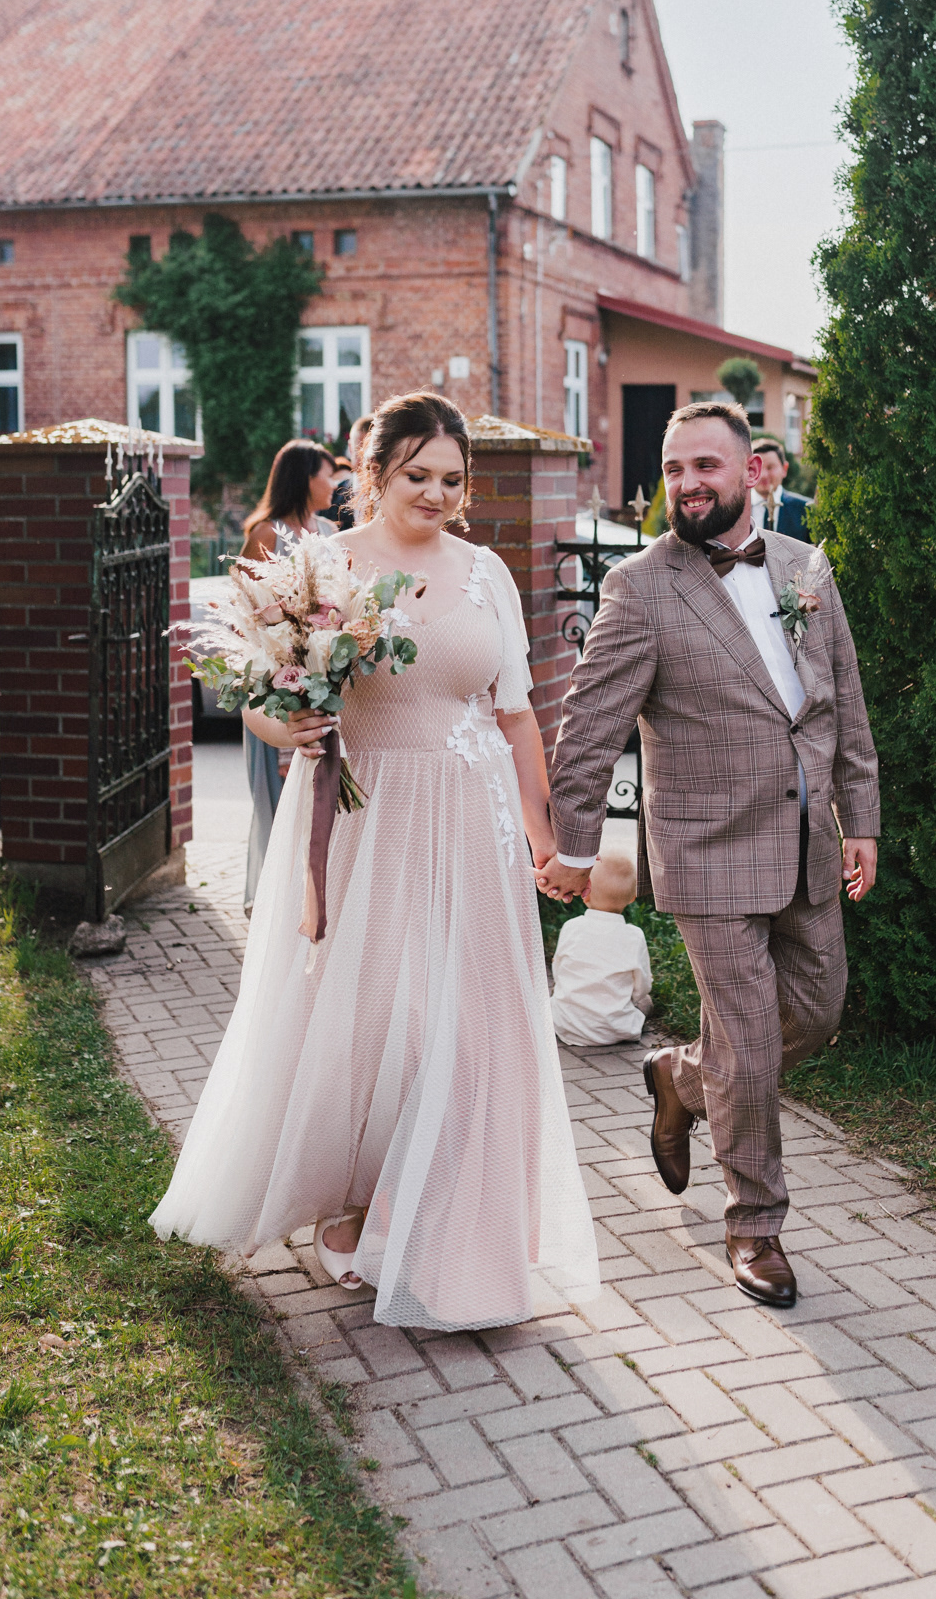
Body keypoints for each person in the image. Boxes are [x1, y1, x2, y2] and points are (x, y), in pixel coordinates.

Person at [152, 392, 599, 1329]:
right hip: (367, 818)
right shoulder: (323, 567)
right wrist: (284, 725)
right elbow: (260, 697)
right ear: (374, 472)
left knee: (474, 1030)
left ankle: (456, 1240)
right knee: (372, 1020)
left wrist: (545, 837)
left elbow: (516, 716)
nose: (435, 494)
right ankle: (352, 1204)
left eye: (451, 480)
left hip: (472, 822)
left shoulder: (486, 573)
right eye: (416, 475)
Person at [540, 401, 879, 1310]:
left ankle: (679, 1077)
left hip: (806, 840)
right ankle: (754, 1223)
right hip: (705, 847)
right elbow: (590, 725)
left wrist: (861, 817)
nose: (687, 484)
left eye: (705, 466)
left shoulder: (804, 566)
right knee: (753, 1041)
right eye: (673, 468)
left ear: (751, 472)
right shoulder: (641, 587)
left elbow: (841, 702)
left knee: (816, 1012)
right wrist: (574, 845)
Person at [240, 440, 339, 911]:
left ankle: (317, 891)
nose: (335, 483)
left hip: (325, 675)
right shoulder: (265, 533)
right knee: (277, 797)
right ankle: (274, 900)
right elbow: (249, 613)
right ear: (304, 478)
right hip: (278, 680)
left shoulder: (331, 532)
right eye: (327, 473)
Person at [549, 851, 652, 1046]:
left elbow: (558, 970)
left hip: (564, 1024)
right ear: (632, 898)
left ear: (585, 894)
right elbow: (642, 986)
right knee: (646, 1002)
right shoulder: (634, 936)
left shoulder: (571, 927)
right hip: (614, 1029)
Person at [750, 438, 812, 541]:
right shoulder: (736, 509)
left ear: (784, 469)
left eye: (770, 467)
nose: (763, 475)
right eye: (758, 468)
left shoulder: (806, 509)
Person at [333, 415, 374, 530]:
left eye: (372, 450)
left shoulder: (396, 495)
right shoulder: (333, 496)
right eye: (361, 449)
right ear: (351, 448)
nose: (367, 458)